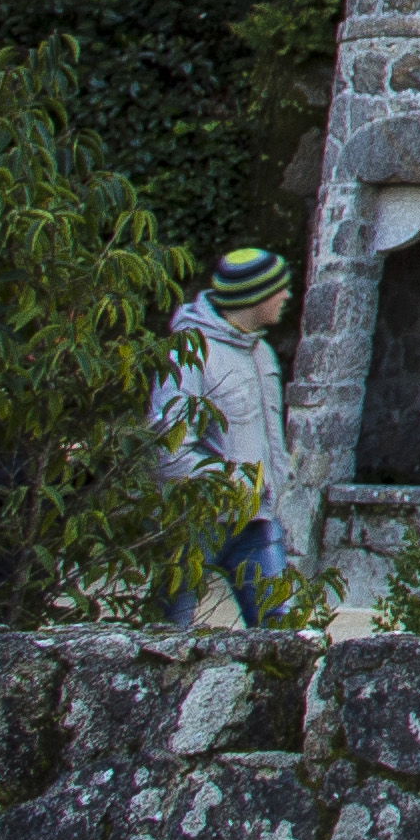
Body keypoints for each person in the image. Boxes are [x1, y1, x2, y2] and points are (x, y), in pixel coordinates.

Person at [158, 244, 307, 626]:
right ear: (255, 295)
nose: (288, 296)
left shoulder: (262, 354)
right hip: (194, 523)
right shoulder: (189, 352)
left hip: (257, 521)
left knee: (280, 635)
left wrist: (276, 477)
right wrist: (232, 484)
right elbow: (168, 446)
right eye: (280, 288)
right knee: (166, 637)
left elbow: (270, 437)